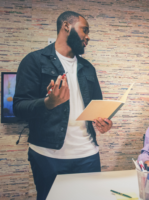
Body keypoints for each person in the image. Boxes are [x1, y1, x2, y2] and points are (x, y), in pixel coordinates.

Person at [13, 11, 112, 200]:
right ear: (66, 26)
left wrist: (105, 122)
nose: (88, 36)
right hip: (47, 157)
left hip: (88, 155)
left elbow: (98, 106)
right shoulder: (34, 61)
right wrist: (49, 102)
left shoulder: (88, 67)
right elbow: (18, 108)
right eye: (85, 30)